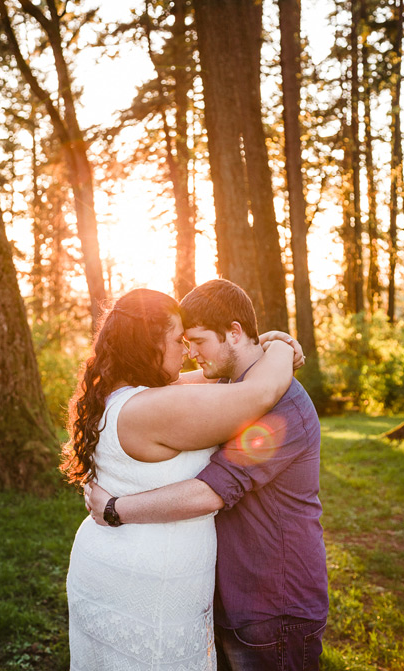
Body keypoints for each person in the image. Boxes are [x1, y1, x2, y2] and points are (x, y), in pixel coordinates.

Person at [85, 279, 328, 671]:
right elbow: (159, 388)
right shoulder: (231, 386)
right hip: (231, 598)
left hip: (274, 607)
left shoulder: (281, 407)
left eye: (197, 340)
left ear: (233, 332)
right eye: (184, 341)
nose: (189, 353)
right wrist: (277, 343)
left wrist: (116, 507)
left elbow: (213, 491)